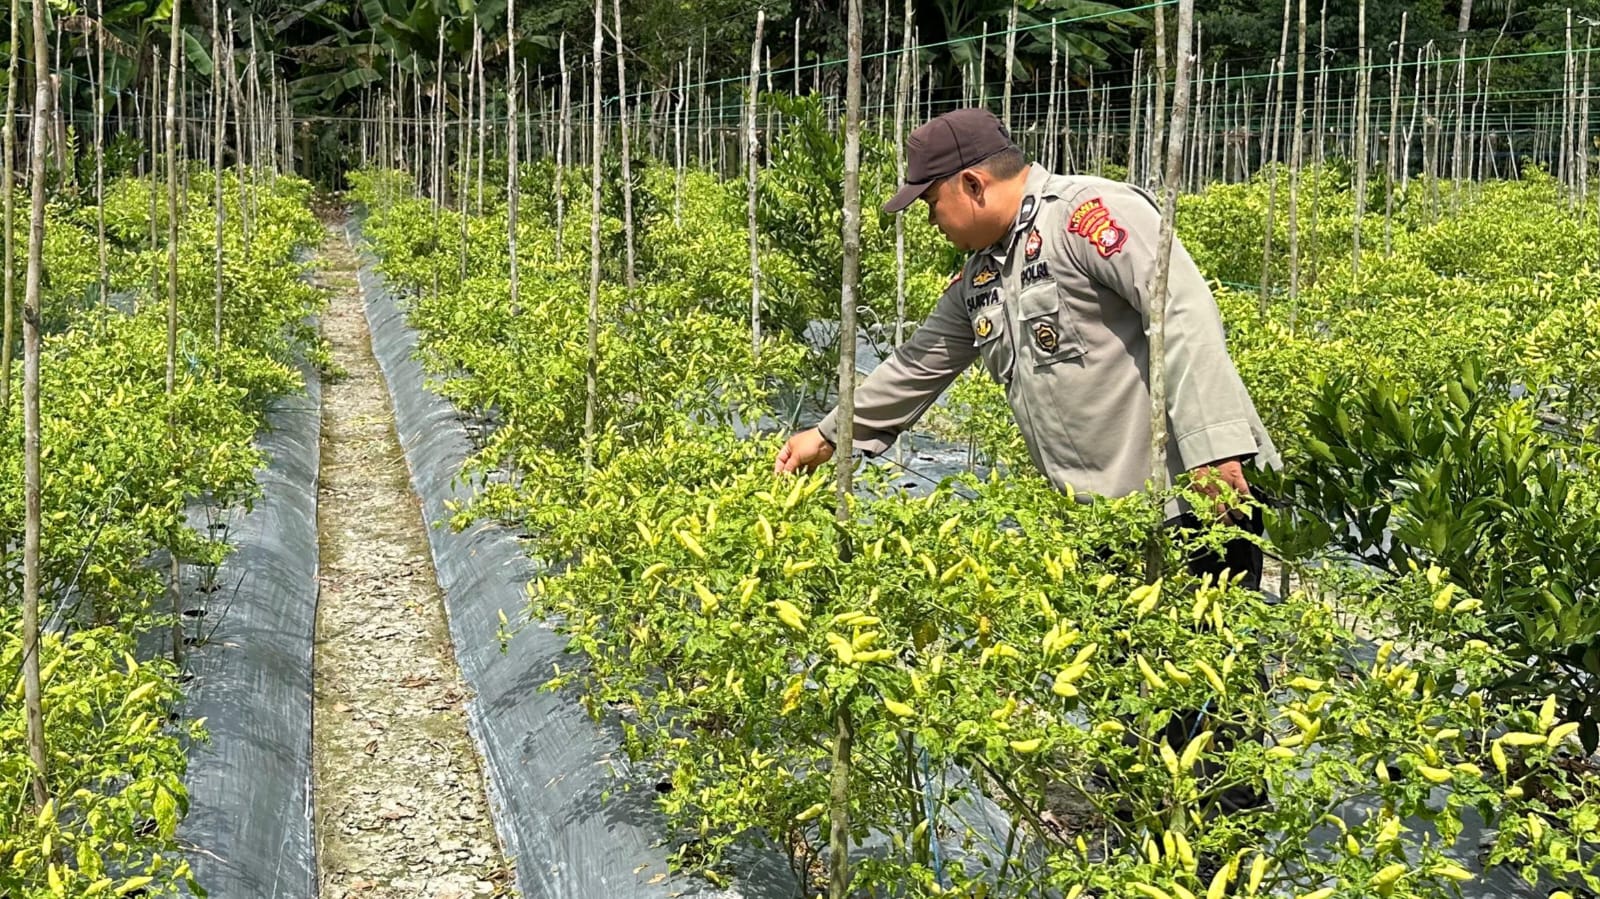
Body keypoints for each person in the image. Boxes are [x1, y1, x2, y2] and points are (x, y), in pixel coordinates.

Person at [774, 107, 1279, 588]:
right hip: (1102, 524)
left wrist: (1213, 449)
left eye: (931, 203)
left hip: (1192, 500)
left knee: (1211, 645)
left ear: (972, 184)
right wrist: (828, 435)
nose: (931, 222)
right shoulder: (982, 277)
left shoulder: (1086, 215)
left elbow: (1181, 312)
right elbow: (918, 364)